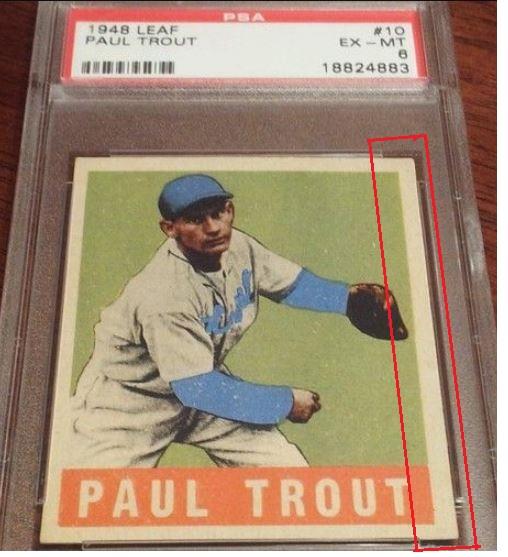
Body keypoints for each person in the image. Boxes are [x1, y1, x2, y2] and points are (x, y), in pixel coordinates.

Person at [69, 174, 407, 468]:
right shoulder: (164, 295)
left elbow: (290, 285)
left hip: (204, 385)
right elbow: (197, 389)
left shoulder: (236, 247)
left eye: (218, 213)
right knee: (92, 502)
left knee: (289, 477)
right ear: (169, 228)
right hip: (128, 404)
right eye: (195, 219)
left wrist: (344, 299)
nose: (213, 227)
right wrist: (286, 402)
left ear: (230, 210)